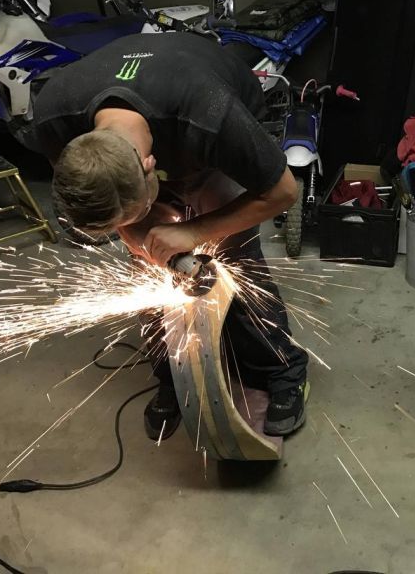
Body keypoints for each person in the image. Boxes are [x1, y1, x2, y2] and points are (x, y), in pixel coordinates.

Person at [33, 33, 309, 438]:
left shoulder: (212, 115)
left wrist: (195, 230)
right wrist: (141, 236)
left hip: (209, 122)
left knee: (233, 248)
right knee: (146, 268)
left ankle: (282, 369)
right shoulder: (55, 116)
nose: (124, 230)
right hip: (162, 121)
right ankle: (173, 373)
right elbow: (109, 202)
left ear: (150, 166)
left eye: (137, 210)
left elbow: (284, 192)